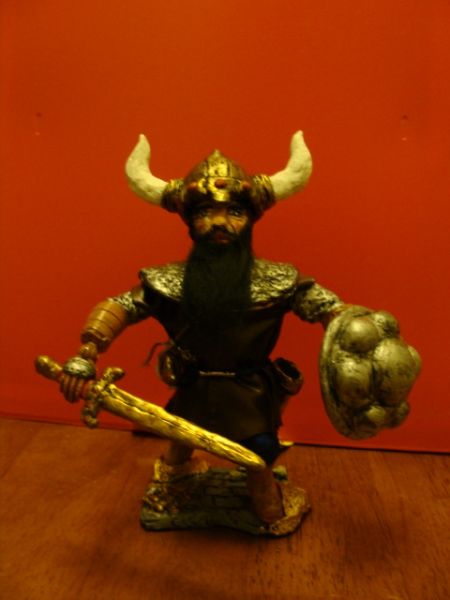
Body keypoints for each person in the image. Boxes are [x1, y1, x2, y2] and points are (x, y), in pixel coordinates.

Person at [59, 132, 419, 526]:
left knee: (257, 456)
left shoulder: (278, 279)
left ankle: (269, 511)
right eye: (204, 212)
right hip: (192, 385)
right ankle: (173, 486)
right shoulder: (167, 281)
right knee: (179, 440)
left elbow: (326, 308)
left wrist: (343, 319)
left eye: (234, 211)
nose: (219, 222)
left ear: (250, 219)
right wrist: (87, 352)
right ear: (189, 222)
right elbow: (121, 306)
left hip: (251, 393)